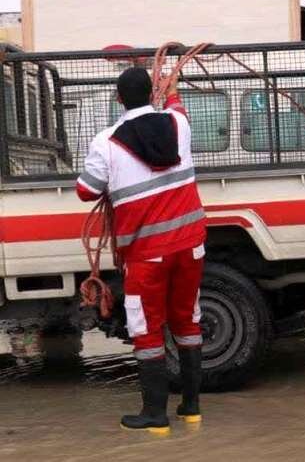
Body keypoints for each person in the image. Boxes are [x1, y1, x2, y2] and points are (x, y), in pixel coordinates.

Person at [76, 67, 206, 433]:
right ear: (152, 93)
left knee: (146, 328)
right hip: (190, 246)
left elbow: (86, 191)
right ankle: (192, 408)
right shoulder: (179, 124)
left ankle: (155, 415)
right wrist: (172, 90)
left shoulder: (106, 142)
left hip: (146, 255)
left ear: (118, 99)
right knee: (187, 319)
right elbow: (177, 105)